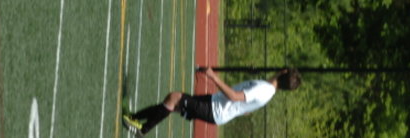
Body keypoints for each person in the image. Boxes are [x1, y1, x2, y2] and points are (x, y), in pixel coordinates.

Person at [121, 67, 302, 136]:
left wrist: (213, 77)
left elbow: (235, 97)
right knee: (173, 104)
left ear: (283, 72)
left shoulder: (263, 88)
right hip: (216, 105)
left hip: (215, 109)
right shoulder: (268, 91)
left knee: (174, 97)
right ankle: (135, 118)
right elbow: (246, 110)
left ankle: (142, 129)